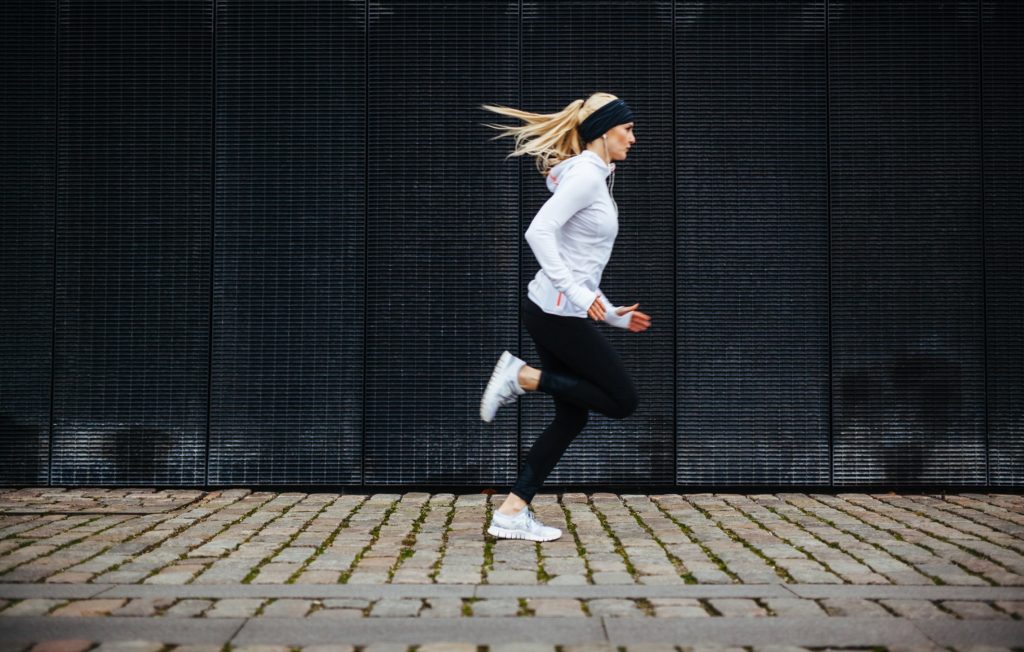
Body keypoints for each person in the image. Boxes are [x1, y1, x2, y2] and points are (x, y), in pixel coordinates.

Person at [476, 92, 652, 542]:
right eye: (628, 129)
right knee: (622, 400)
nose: (634, 138)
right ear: (605, 131)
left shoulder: (596, 176)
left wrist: (610, 314)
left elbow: (579, 259)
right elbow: (539, 232)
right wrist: (576, 293)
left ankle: (512, 513)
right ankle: (523, 377)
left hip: (552, 309)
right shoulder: (588, 177)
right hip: (556, 313)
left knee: (571, 418)